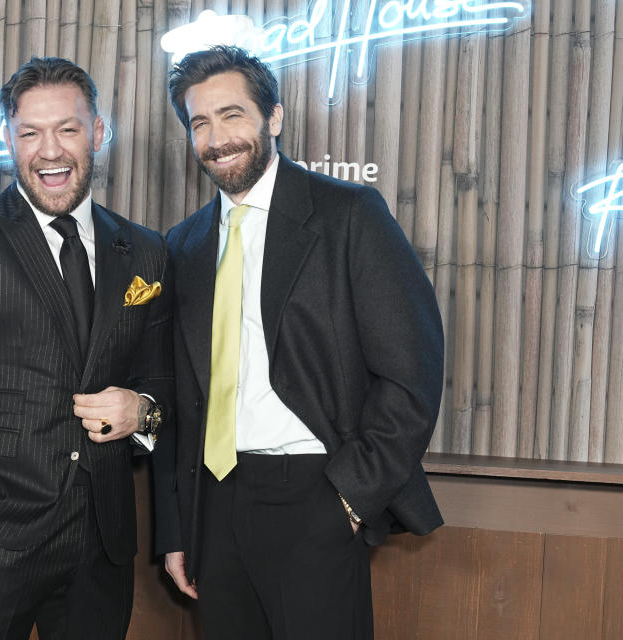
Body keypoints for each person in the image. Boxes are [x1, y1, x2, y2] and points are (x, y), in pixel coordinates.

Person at [152, 45, 444, 639]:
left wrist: (348, 496)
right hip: (215, 503)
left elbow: (411, 374)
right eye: (199, 122)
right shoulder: (183, 245)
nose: (216, 137)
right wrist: (177, 528)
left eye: (232, 115)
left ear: (274, 117)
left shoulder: (348, 215)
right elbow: (180, 401)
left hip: (317, 495)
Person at [0, 56, 172, 640]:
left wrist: (141, 411)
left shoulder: (144, 252)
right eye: (31, 133)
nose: (50, 151)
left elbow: (163, 382)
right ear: (8, 140)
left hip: (104, 541)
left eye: (67, 129)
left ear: (96, 133)